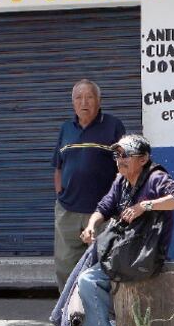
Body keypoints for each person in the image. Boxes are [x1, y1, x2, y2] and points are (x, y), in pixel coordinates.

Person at [74, 134, 174, 326]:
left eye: (126, 155)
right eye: (117, 155)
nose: (120, 160)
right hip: (126, 253)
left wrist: (145, 206)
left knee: (89, 279)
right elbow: (103, 207)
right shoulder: (121, 181)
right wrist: (91, 226)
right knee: (88, 275)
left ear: (143, 159)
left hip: (147, 255)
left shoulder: (156, 178)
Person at [52, 79, 126, 290]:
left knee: (103, 264)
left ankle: (102, 308)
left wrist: (115, 202)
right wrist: (60, 194)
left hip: (102, 212)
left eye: (89, 97)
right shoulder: (66, 129)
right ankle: (69, 308)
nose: (83, 102)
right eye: (78, 97)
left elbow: (125, 167)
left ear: (99, 100)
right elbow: (58, 166)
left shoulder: (113, 126)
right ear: (73, 103)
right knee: (65, 265)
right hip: (68, 211)